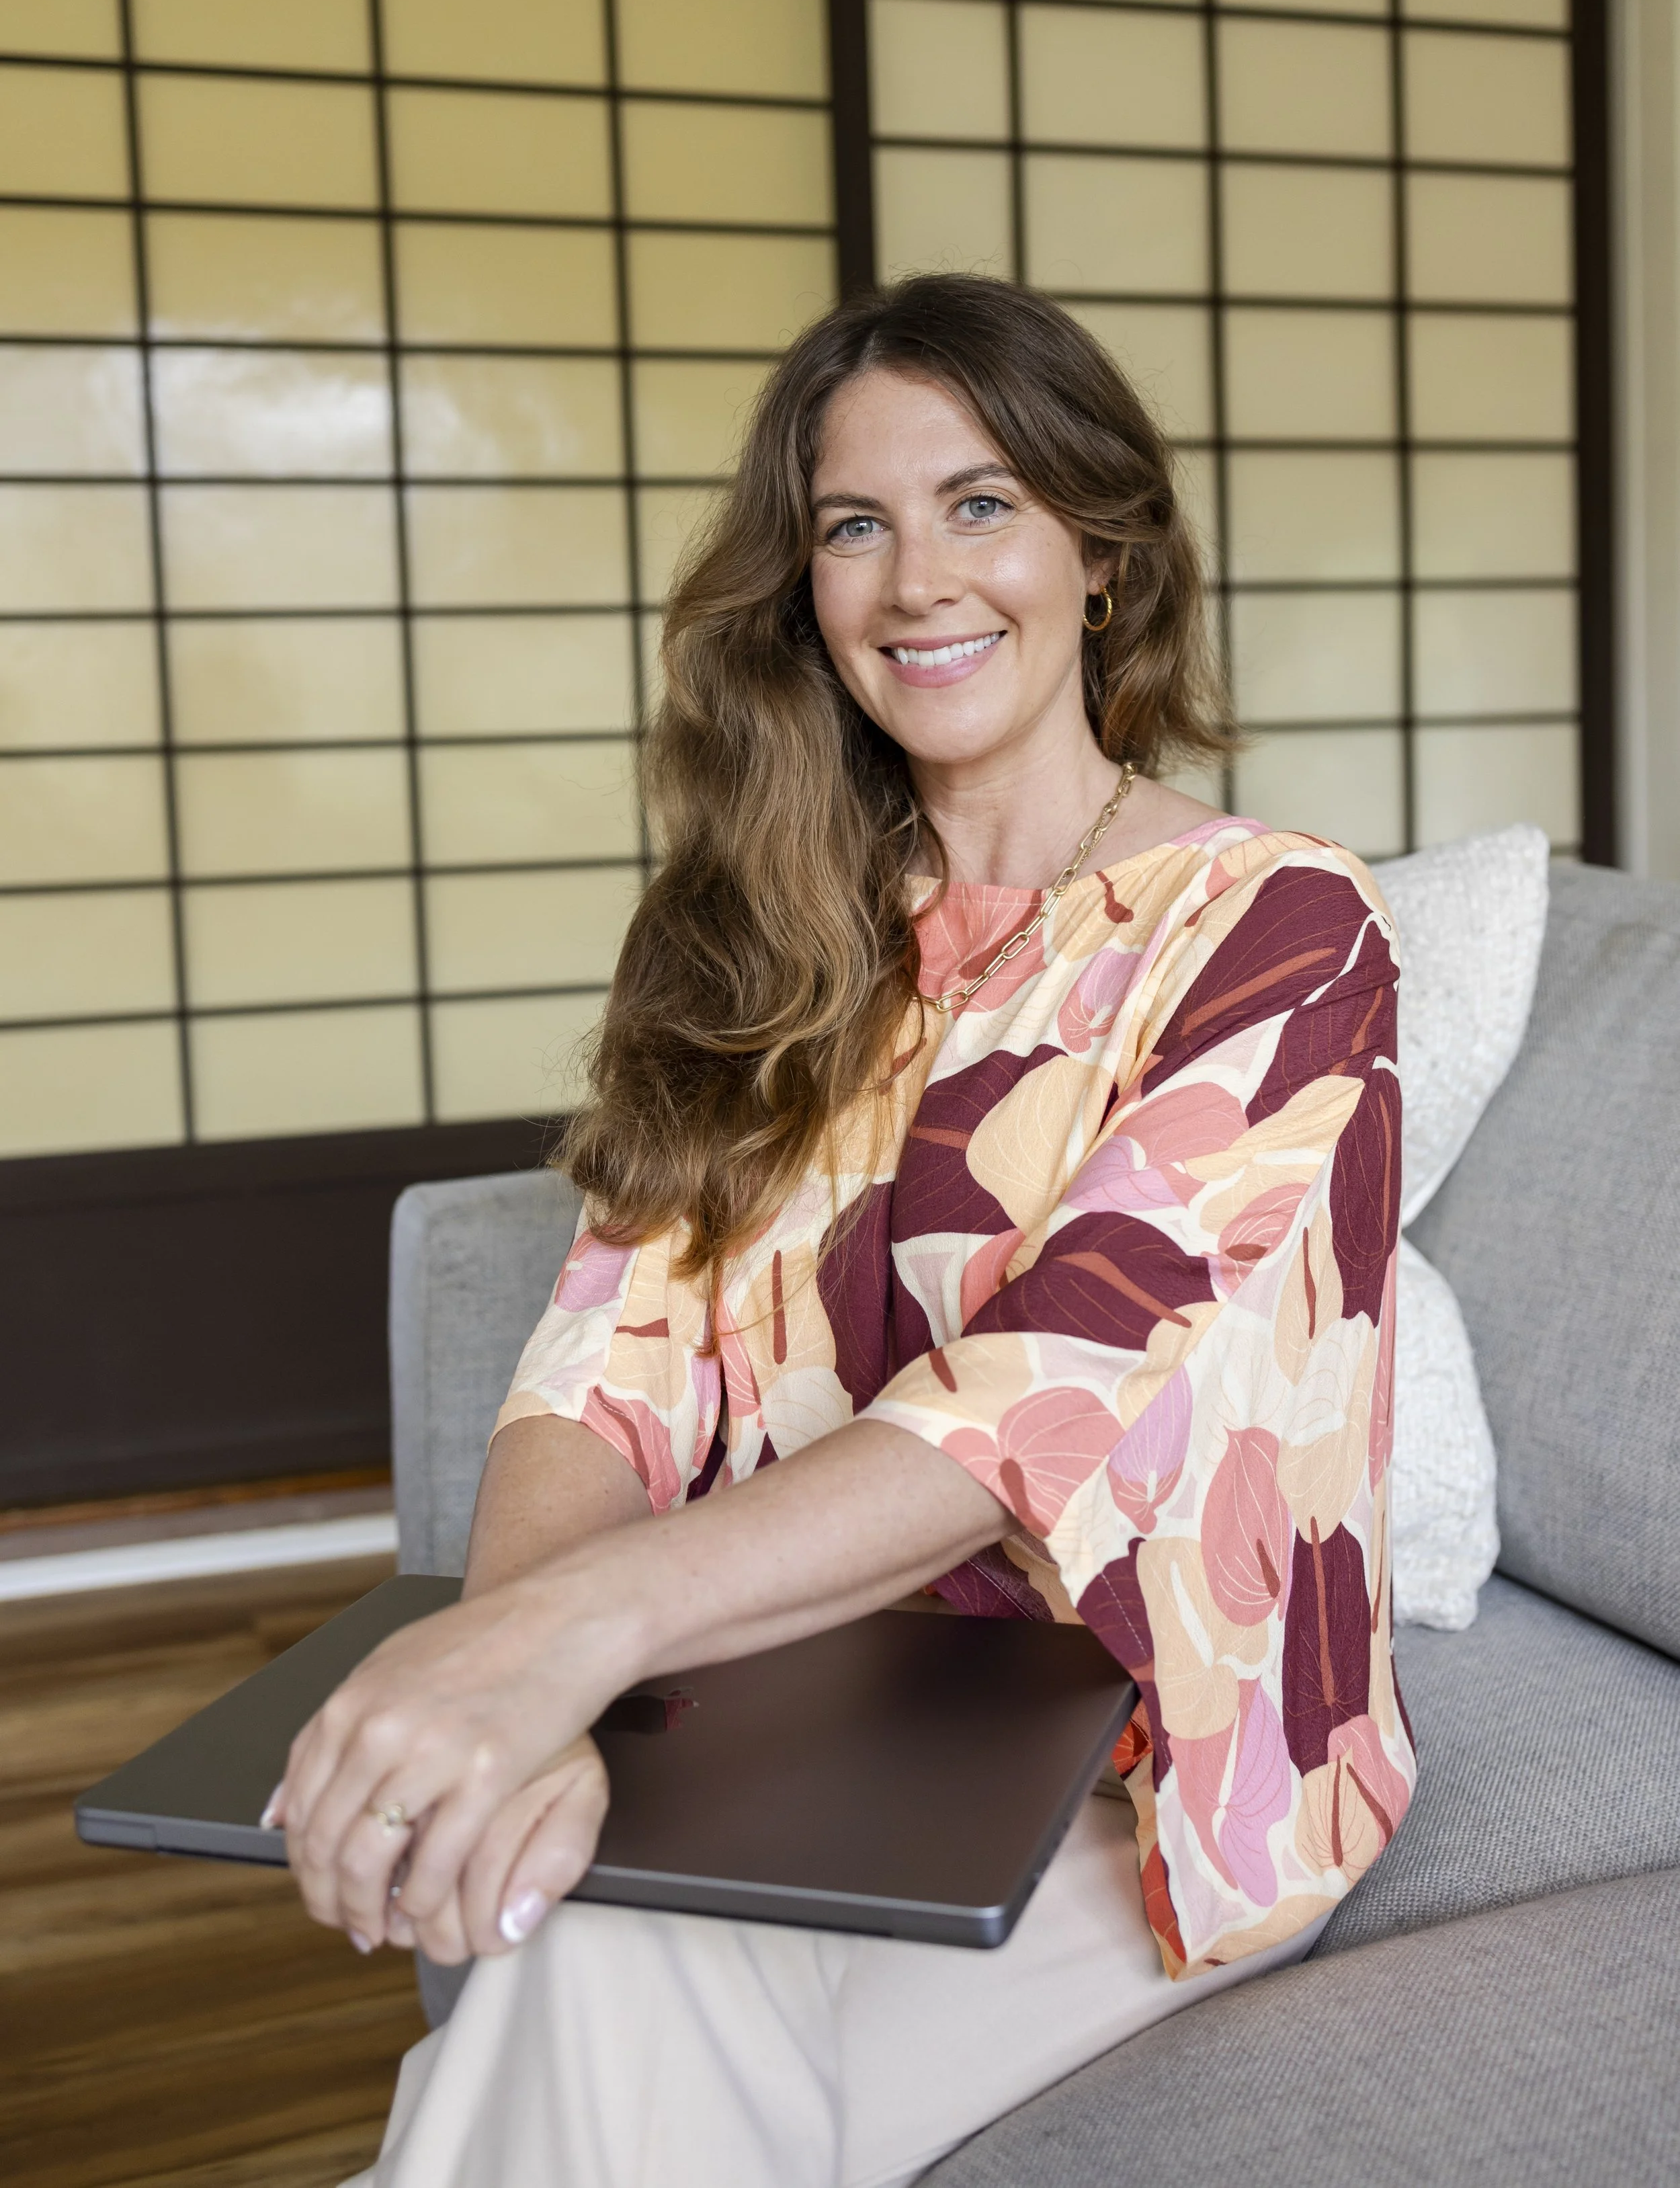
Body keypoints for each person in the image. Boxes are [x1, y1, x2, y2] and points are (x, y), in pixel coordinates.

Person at [271, 276, 1413, 2188]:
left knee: (590, 1963)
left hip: (1140, 1766)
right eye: (850, 525)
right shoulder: (757, 929)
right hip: (790, 1719)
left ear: (1100, 552)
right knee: (603, 1950)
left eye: (980, 505)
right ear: (800, 586)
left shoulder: (1278, 930)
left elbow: (1038, 1395)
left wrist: (570, 1640)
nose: (912, 581)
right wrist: (520, 1668)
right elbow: (606, 1351)